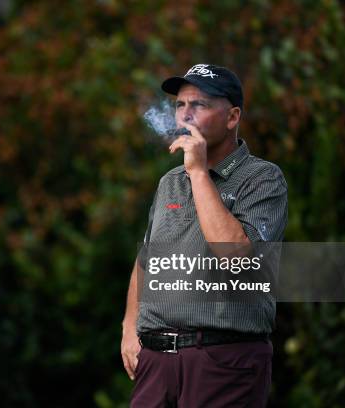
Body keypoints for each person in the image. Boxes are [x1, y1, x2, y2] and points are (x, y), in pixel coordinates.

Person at [121, 64, 288, 407]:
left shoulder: (263, 179)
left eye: (199, 105)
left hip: (223, 360)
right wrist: (129, 326)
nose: (185, 115)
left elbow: (237, 257)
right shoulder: (170, 182)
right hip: (157, 362)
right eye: (180, 105)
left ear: (232, 117)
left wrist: (198, 172)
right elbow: (148, 259)